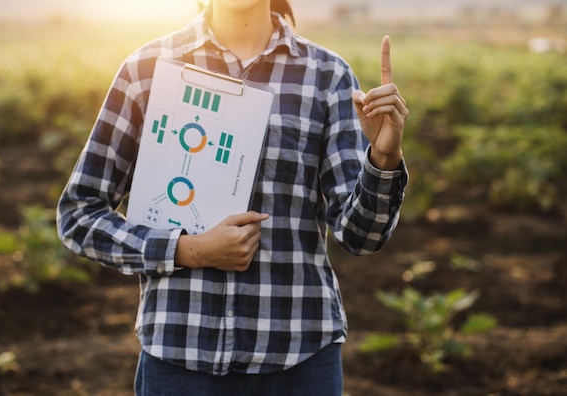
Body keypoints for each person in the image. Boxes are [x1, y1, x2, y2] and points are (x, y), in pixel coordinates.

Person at [57, 0, 409, 394]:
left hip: (299, 360)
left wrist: (383, 157)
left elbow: (360, 236)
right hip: (181, 357)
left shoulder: (326, 76)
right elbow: (79, 214)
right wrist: (187, 250)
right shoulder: (147, 70)